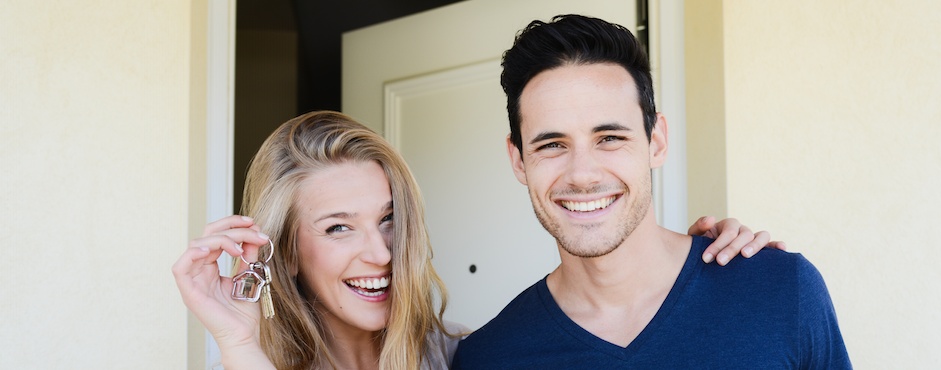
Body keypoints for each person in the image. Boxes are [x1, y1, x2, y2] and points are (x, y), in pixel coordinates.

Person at [173, 111, 778, 369]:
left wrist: (697, 265)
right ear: (285, 252)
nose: (381, 252)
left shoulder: (464, 360)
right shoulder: (248, 362)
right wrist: (237, 340)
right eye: (338, 227)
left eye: (389, 219)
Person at [451, 15, 851, 369]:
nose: (583, 175)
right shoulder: (488, 357)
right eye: (552, 144)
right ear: (518, 159)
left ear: (656, 141)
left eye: (609, 137)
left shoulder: (782, 291)